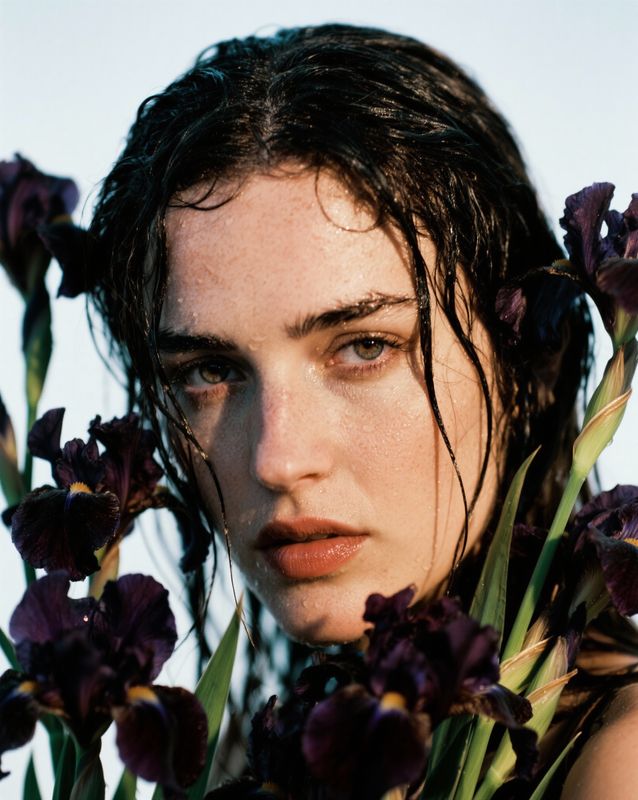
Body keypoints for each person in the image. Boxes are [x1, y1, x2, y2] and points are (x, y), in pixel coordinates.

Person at [87, 24, 636, 797]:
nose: (277, 460)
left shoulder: (618, 762)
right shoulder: (292, 753)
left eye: (364, 347)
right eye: (211, 370)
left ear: (522, 358)